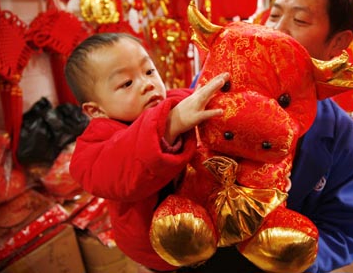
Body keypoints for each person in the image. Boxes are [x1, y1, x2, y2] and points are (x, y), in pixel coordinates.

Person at [178, 0, 353, 272]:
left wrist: (289, 256)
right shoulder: (213, 89)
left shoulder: (349, 146)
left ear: (338, 42)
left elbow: (344, 234)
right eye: (275, 14)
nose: (277, 30)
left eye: (300, 21)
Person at [64, 32, 230, 272]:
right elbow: (120, 171)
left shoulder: (174, 103)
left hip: (214, 224)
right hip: (163, 249)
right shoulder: (93, 146)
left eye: (149, 71)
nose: (147, 84)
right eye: (126, 83)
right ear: (95, 110)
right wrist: (170, 126)